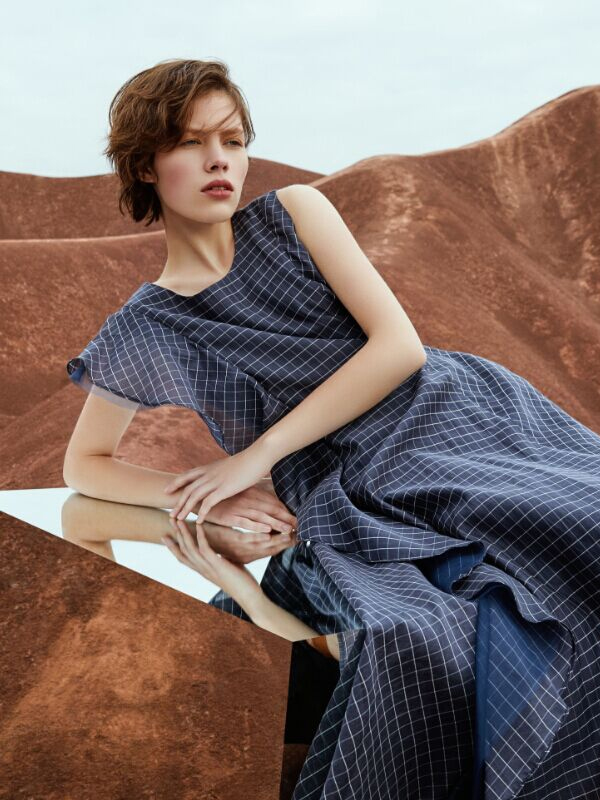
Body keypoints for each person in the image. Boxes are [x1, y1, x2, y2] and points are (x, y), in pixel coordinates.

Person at [63, 58, 600, 800]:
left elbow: (399, 348)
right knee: (420, 636)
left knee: (582, 523)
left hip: (452, 417)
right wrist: (208, 498)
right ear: (145, 163)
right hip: (348, 490)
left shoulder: (295, 214)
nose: (221, 160)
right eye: (191, 141)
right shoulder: (146, 323)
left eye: (233, 139)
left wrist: (255, 456)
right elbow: (84, 465)